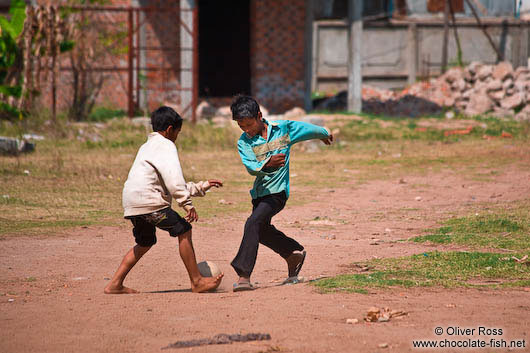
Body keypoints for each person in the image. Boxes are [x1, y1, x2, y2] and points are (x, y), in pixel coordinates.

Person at [104, 106, 224, 294]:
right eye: (178, 132)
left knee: (145, 242)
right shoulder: (166, 145)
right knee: (184, 230)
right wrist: (186, 203)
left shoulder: (147, 146)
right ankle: (197, 281)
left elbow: (169, 184)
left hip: (133, 203)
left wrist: (202, 186)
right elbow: (173, 179)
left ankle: (115, 284)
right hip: (150, 202)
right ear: (170, 129)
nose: (177, 136)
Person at [230, 95, 333, 291]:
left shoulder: (283, 129)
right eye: (241, 126)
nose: (247, 130)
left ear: (259, 116)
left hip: (277, 193)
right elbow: (251, 167)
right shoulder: (244, 142)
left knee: (252, 223)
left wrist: (324, 133)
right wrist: (267, 164)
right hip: (260, 194)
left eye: (249, 125)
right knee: (260, 230)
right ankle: (292, 252)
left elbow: (306, 130)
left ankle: (244, 275)